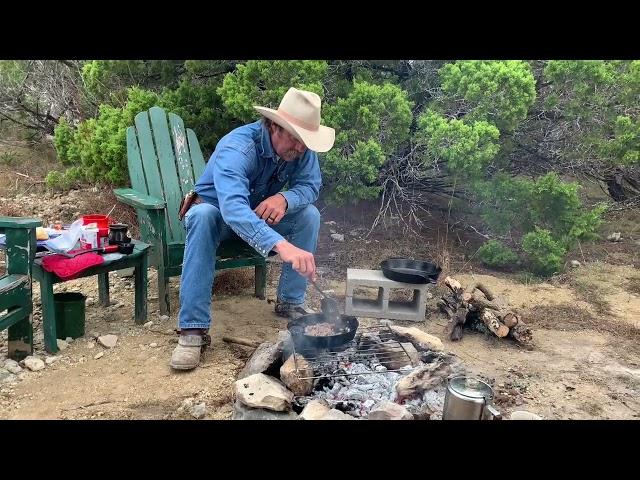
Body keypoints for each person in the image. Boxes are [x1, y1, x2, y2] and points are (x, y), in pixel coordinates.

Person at [170, 87, 336, 371]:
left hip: (256, 220)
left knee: (308, 215)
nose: (300, 149)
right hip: (218, 220)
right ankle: (192, 331)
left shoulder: (301, 149)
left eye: (305, 143)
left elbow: (310, 186)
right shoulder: (238, 148)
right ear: (274, 126)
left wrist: (284, 198)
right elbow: (234, 210)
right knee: (203, 215)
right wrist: (283, 246)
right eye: (296, 140)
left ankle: (290, 302)